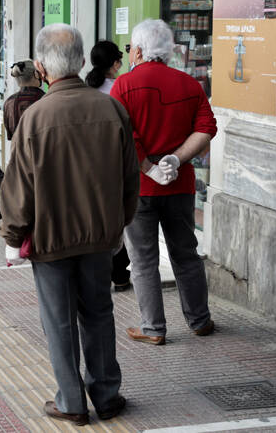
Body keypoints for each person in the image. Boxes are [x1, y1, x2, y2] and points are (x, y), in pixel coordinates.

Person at [0, 23, 140, 426]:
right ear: (80, 61)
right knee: (99, 313)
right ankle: (108, 396)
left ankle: (72, 402)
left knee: (59, 322)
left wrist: (13, 236)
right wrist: (118, 225)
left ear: (41, 67)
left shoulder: (35, 116)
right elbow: (131, 179)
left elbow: (18, 186)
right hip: (100, 238)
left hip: (50, 239)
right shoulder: (111, 109)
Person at [110, 19, 217, 346]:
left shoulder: (124, 86)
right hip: (180, 184)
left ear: (139, 50)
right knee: (186, 252)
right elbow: (207, 128)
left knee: (142, 260)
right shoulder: (189, 84)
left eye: (130, 48)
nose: (129, 54)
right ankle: (199, 320)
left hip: (138, 187)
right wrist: (177, 159)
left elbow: (123, 135)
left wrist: (148, 167)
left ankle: (153, 327)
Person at [86, 40, 131, 292]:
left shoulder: (85, 87)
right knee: (116, 222)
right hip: (114, 163)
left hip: (89, 164)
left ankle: (97, 273)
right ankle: (120, 273)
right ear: (114, 64)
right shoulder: (119, 89)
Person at [2, 60, 44, 140]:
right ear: (36, 74)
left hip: (17, 150)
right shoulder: (45, 98)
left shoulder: (9, 102)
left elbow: (10, 135)